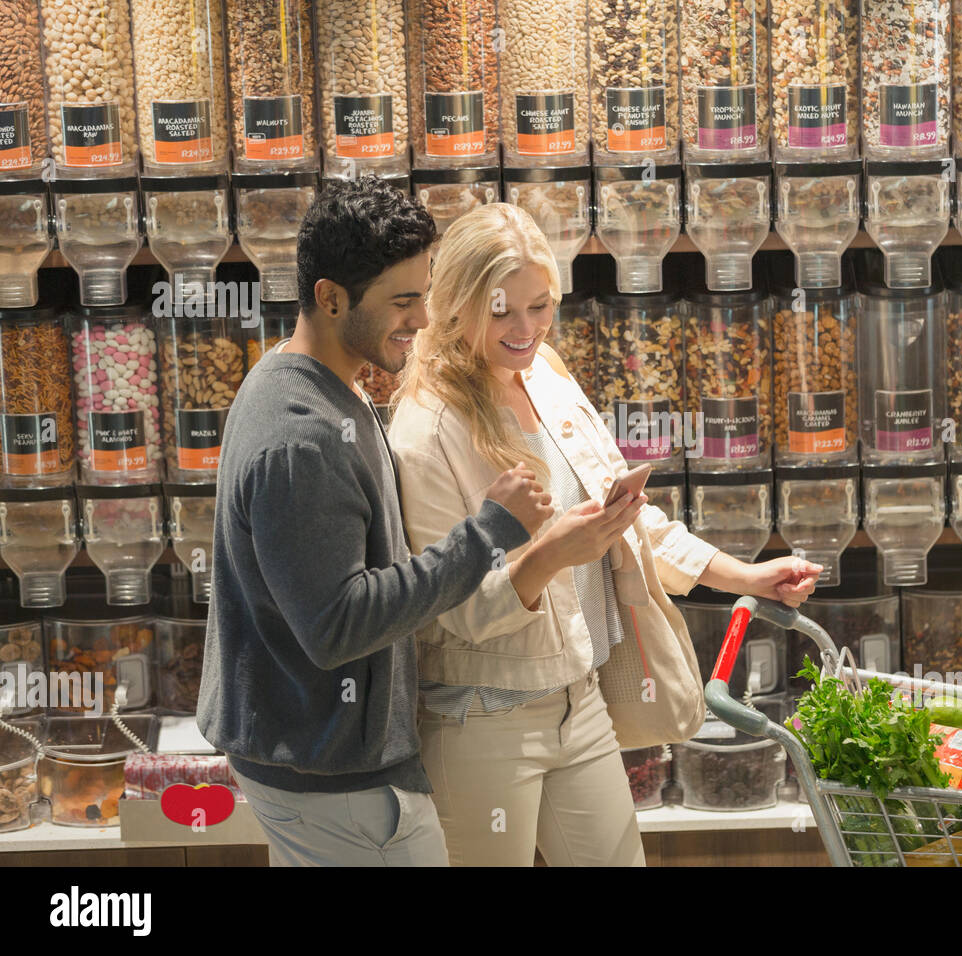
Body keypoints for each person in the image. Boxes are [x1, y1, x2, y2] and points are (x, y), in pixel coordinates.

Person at [387, 203, 821, 866]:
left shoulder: (546, 378)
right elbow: (454, 609)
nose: (525, 329)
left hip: (579, 700)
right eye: (502, 311)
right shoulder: (425, 431)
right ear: (454, 304)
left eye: (540, 305)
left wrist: (745, 576)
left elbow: (629, 519)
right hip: (481, 718)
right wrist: (551, 556)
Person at [197, 179, 553, 867]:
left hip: (319, 764)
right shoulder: (300, 438)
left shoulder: (312, 382)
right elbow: (337, 625)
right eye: (402, 300)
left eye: (424, 295)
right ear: (331, 299)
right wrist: (487, 534)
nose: (423, 320)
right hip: (335, 782)